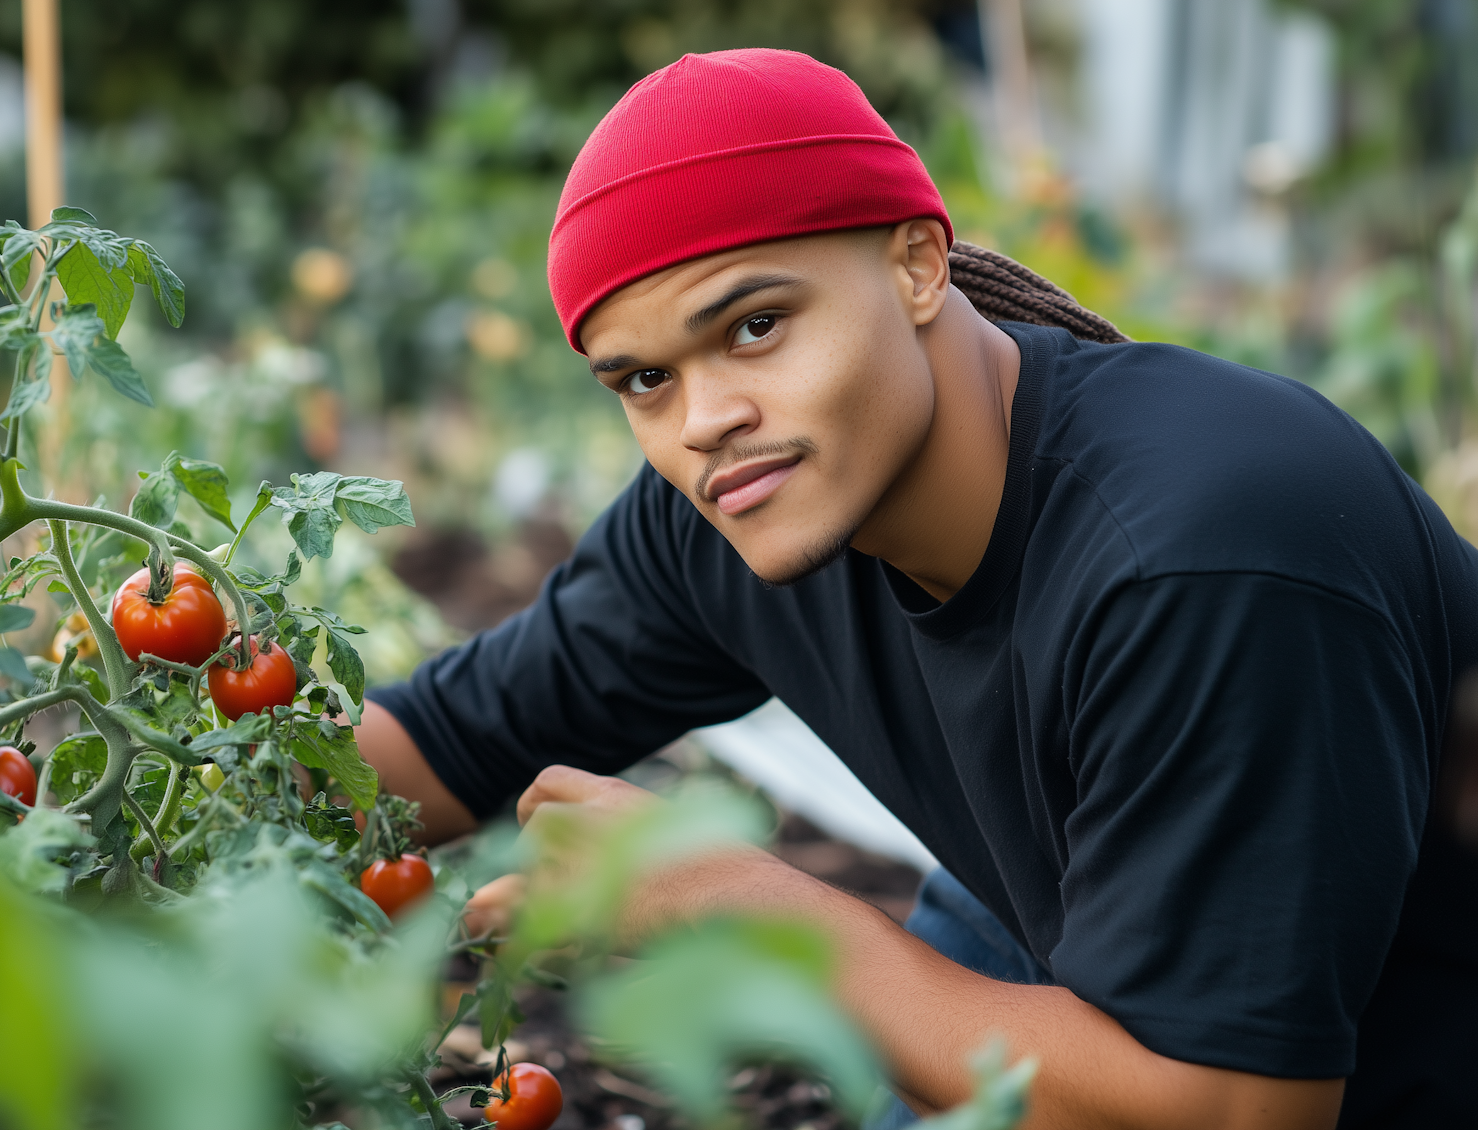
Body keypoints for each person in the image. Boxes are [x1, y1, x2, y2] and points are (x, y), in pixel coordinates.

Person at [359, 49, 1477, 1130]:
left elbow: (1227, 1110)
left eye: (756, 325)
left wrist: (731, 897)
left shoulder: (1202, 553)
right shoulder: (741, 499)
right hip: (1079, 942)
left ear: (916, 264)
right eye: (646, 379)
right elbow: (443, 741)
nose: (703, 420)